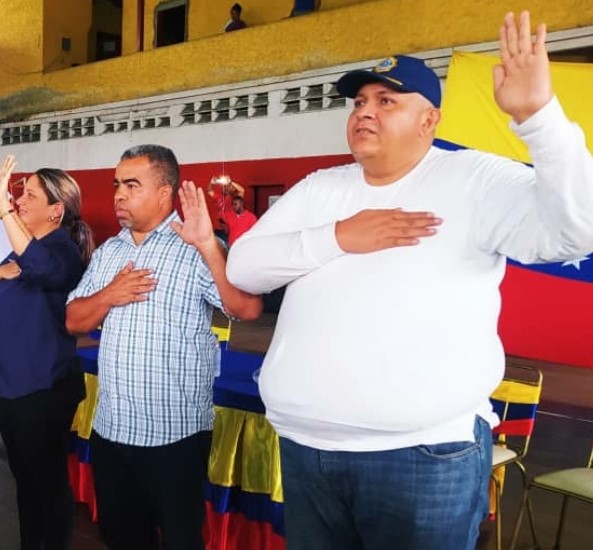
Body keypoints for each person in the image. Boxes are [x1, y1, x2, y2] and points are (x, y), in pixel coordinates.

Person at [226, 12, 593, 549]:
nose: (365, 113)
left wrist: (538, 118)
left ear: (429, 121)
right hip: (307, 450)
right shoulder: (320, 189)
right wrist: (338, 236)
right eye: (358, 103)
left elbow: (577, 231)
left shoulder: (475, 179)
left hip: (422, 457)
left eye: (386, 101)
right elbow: (244, 268)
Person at [65, 144, 262, 549]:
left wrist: (209, 245)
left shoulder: (195, 250)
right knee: (121, 536)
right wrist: (109, 295)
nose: (119, 194)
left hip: (175, 436)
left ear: (164, 192)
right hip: (112, 429)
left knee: (180, 539)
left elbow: (247, 308)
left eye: (132, 185)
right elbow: (72, 320)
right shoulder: (109, 253)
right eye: (117, 184)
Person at [0, 155, 92, 550]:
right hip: (11, 386)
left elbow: (43, 269)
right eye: (20, 193)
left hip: (44, 387)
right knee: (26, 481)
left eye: (30, 194)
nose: (20, 199)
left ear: (56, 211)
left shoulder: (62, 251)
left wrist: (3, 209)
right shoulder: (20, 252)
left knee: (47, 483)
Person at [207, 178, 258, 246]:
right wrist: (212, 182)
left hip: (230, 226)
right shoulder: (219, 197)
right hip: (220, 227)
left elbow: (242, 190)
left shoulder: (235, 198)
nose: (226, 189)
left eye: (228, 187)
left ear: (232, 189)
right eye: (224, 187)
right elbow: (209, 191)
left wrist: (230, 182)